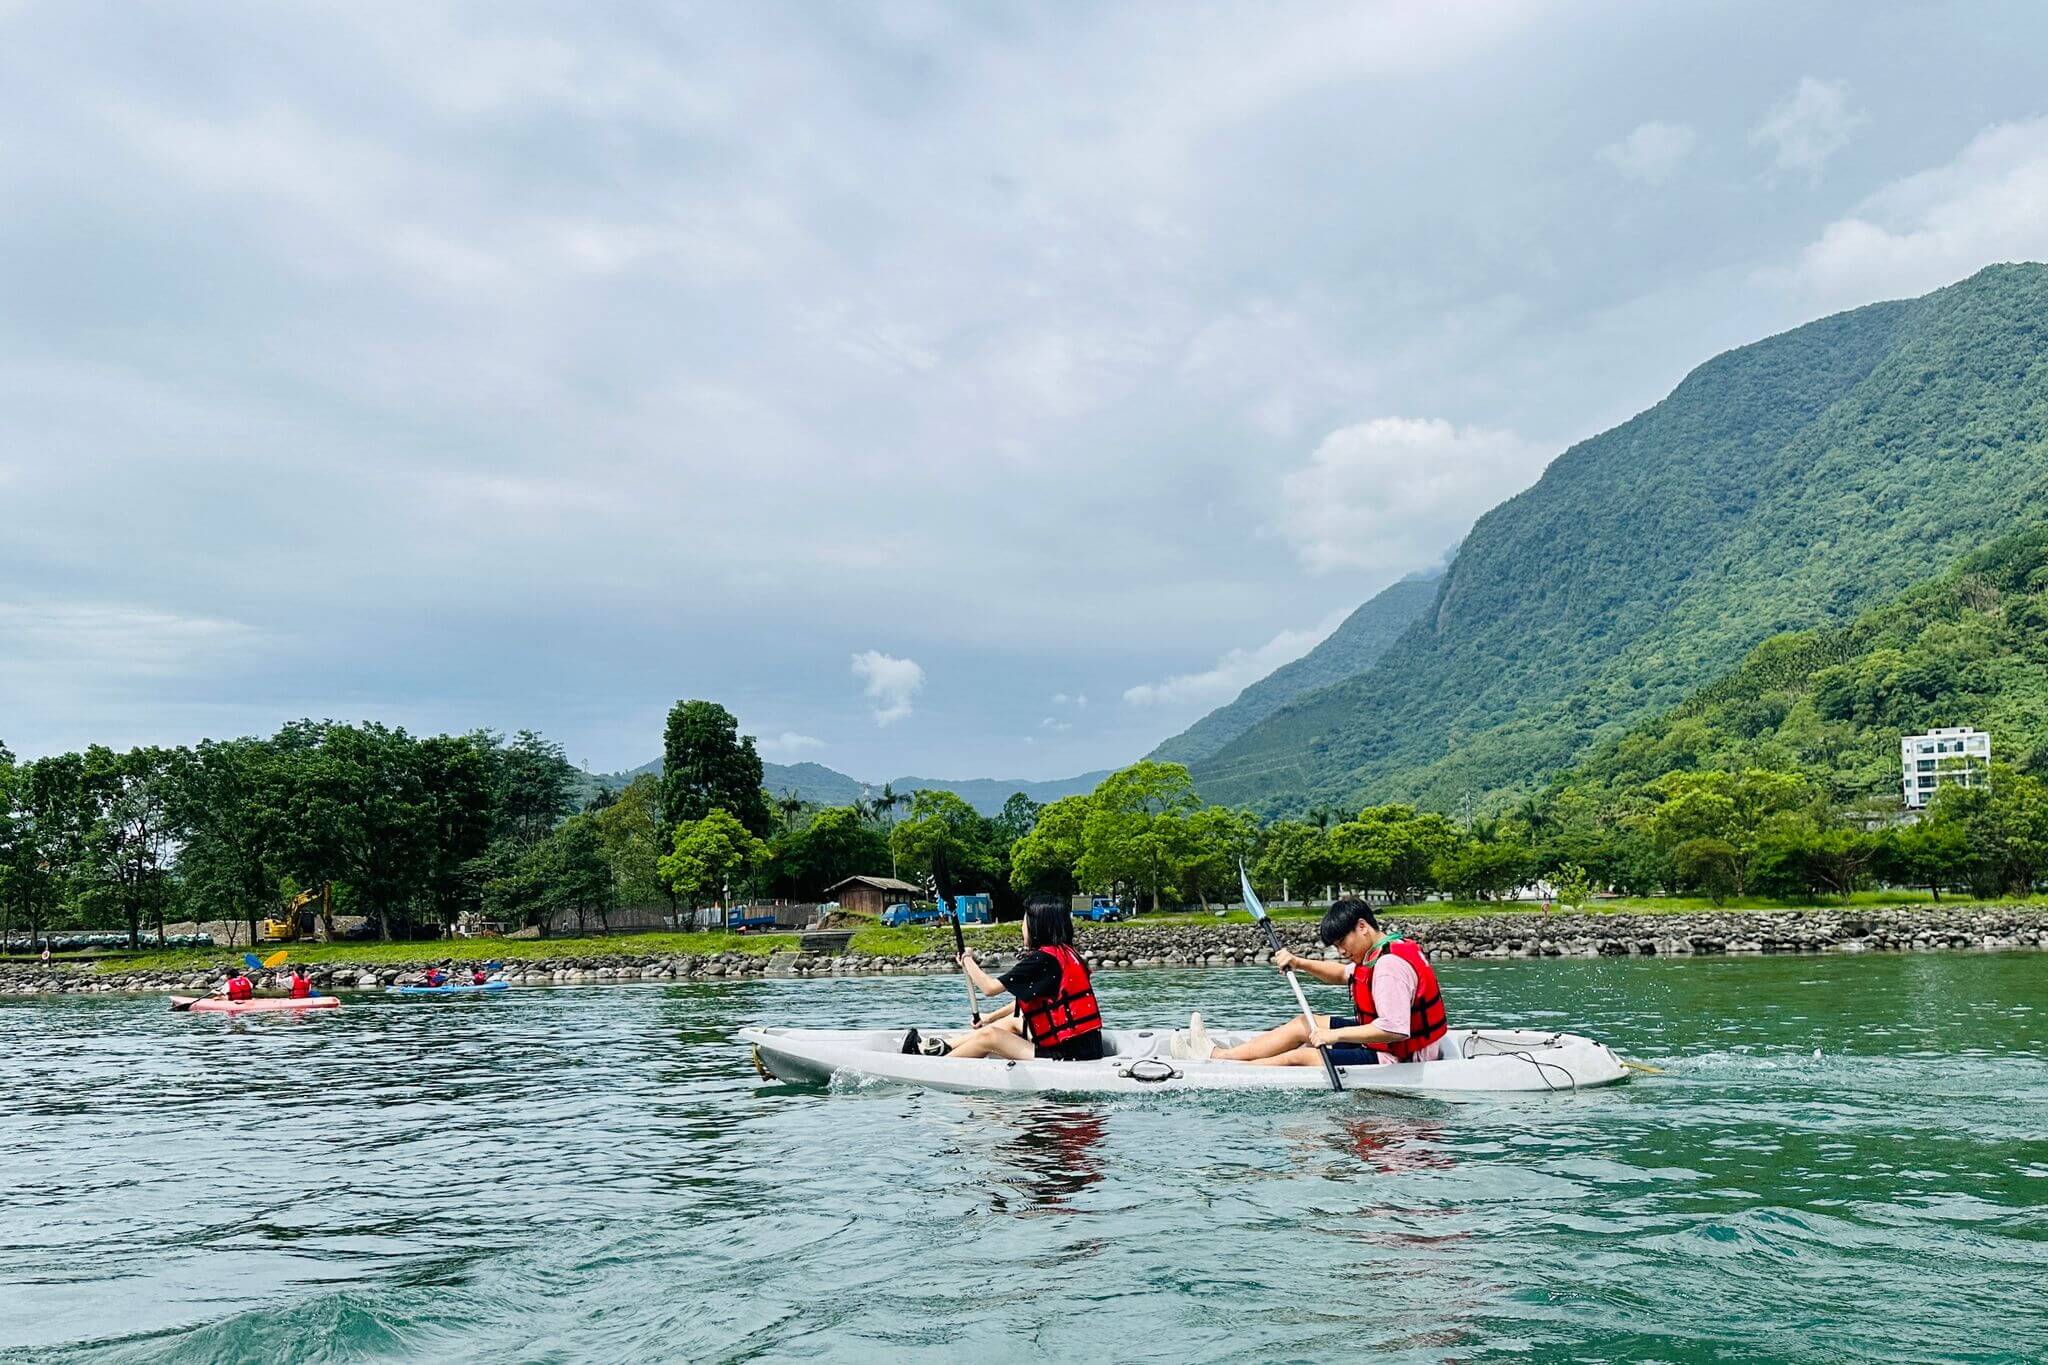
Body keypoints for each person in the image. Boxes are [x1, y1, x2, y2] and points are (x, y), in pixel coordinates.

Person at [1208, 899, 1447, 1068]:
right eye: (1335, 946)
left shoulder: (1388, 966)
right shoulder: (1382, 949)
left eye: (1342, 941)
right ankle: (1224, 1057)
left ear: (1362, 927)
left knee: (1301, 1057)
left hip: (1403, 1058)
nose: (1341, 951)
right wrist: (1298, 962)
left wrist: (1333, 1036)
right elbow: (1344, 975)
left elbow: (1394, 1029)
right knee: (1303, 1024)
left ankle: (1228, 1070)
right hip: (1389, 1045)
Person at [903, 903, 1104, 1062]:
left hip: (1069, 1055)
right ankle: (944, 1046)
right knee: (1012, 1022)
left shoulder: (1043, 960)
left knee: (990, 1036)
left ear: (1038, 927)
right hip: (1085, 1047)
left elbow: (989, 988)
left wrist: (967, 960)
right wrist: (989, 1017)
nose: (1021, 928)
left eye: (1024, 923)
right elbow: (1032, 1004)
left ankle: (937, 1066)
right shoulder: (1066, 953)